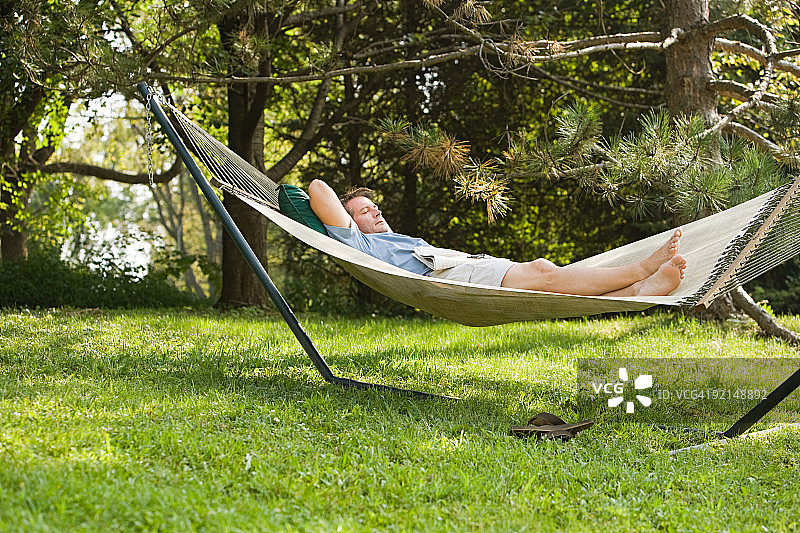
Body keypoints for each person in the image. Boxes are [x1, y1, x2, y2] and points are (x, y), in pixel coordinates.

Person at [308, 179, 686, 297]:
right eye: (364, 210)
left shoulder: (394, 239)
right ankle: (640, 269)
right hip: (448, 279)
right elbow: (317, 188)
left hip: (465, 266)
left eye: (375, 206)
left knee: (548, 273)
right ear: (349, 223)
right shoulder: (359, 243)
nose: (375, 211)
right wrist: (348, 222)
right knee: (544, 272)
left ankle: (639, 291)